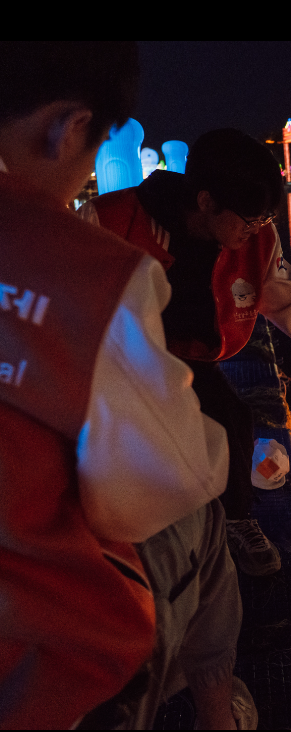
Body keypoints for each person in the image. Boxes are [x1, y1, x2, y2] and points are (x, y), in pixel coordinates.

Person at [0, 42, 247, 729]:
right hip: (35, 656)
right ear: (69, 126)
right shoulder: (88, 272)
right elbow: (156, 488)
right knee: (202, 506)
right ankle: (216, 708)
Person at [82, 129, 291, 574]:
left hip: (191, 357)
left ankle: (238, 520)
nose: (257, 230)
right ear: (205, 201)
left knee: (230, 422)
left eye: (265, 219)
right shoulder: (108, 222)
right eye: (249, 219)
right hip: (110, 360)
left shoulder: (257, 239)